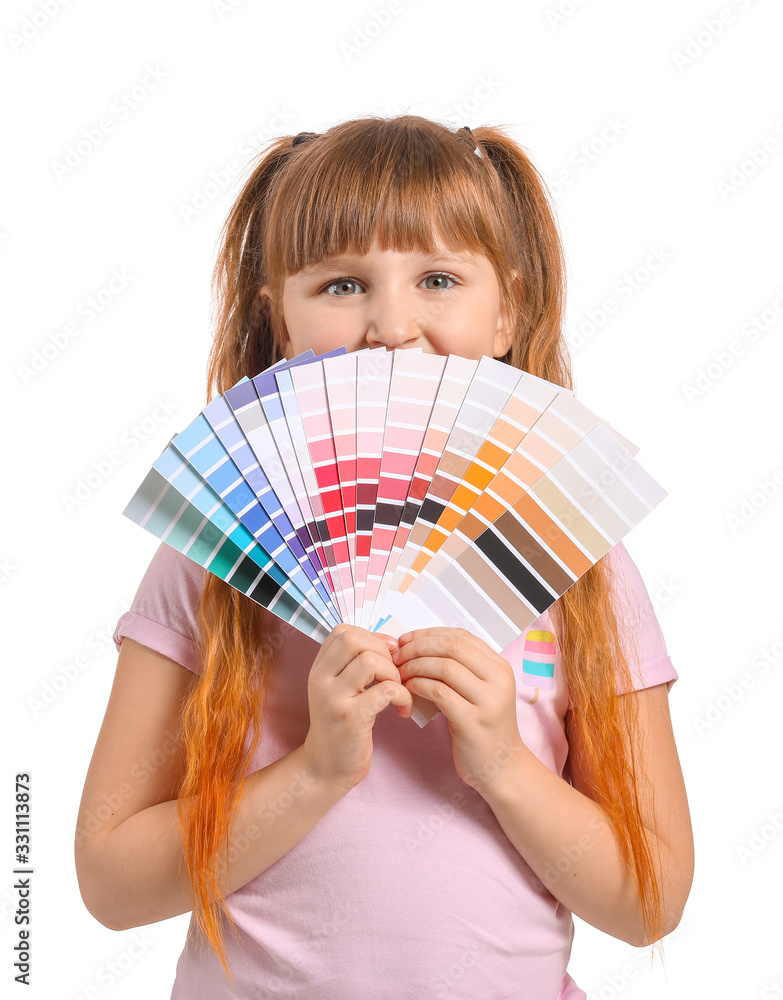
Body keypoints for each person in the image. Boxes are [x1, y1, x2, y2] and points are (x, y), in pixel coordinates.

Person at [74, 116, 694, 999]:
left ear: (507, 312)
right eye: (340, 285)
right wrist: (317, 770)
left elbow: (650, 901)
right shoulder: (218, 556)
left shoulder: (575, 557)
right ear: (277, 322)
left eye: (438, 278)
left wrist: (502, 763)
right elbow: (110, 882)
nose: (391, 325)